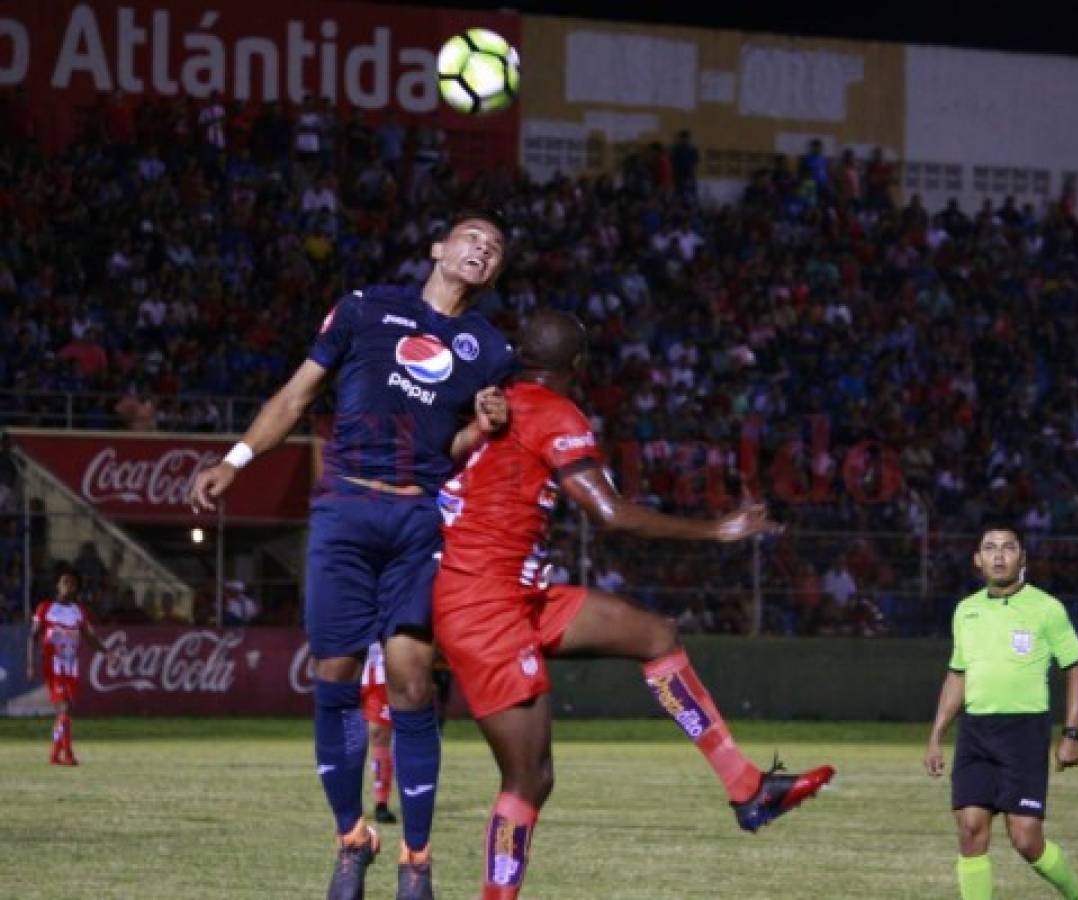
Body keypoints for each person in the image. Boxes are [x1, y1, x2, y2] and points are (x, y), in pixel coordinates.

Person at [433, 309, 835, 899]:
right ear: (578, 365)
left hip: (515, 593)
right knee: (529, 780)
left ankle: (748, 788)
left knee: (654, 634)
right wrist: (717, 529)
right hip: (484, 606)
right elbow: (611, 514)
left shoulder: (493, 402)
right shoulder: (553, 411)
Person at [188, 209, 516, 900]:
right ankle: (351, 840)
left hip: (417, 518)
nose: (481, 249)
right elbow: (298, 393)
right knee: (335, 677)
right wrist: (235, 460)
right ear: (437, 245)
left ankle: (416, 860)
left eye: (493, 248)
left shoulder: (488, 350)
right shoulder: (367, 308)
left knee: (411, 684)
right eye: (470, 237)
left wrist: (482, 429)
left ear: (495, 272)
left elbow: (453, 452)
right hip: (343, 508)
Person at [924, 523, 1078, 900]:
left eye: (1008, 547)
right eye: (990, 548)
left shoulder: (1046, 608)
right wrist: (937, 735)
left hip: (1024, 733)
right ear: (977, 560)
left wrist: (1071, 734)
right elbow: (957, 675)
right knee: (970, 828)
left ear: (1022, 558)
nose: (999, 555)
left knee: (1026, 839)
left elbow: (1077, 670)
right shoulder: (965, 611)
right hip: (975, 733)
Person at [26, 567, 106, 765]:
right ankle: (68, 755)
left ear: (76, 588)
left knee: (64, 712)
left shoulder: (79, 611)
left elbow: (90, 637)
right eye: (65, 582)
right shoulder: (45, 607)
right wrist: (30, 663)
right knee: (65, 708)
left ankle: (55, 755)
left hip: (71, 667)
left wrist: (106, 652)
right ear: (58, 585)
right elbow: (33, 636)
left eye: (72, 583)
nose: (68, 586)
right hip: (53, 666)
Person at [361, 641, 398, 824]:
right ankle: (347, 803)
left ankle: (381, 803)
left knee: (379, 734)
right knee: (346, 734)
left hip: (380, 670)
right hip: (347, 663)